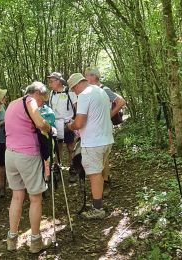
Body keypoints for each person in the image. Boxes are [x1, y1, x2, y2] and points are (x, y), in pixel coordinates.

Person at [4, 81, 52, 253]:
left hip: (10, 154)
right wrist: (49, 128)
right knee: (35, 198)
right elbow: (40, 123)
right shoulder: (30, 101)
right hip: (27, 154)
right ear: (37, 93)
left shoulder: (11, 103)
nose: (42, 104)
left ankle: (12, 239)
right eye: (43, 100)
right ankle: (36, 242)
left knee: (16, 197)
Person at [66, 73, 113, 219]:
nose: (75, 92)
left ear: (77, 85)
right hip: (106, 139)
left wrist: (70, 126)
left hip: (93, 143)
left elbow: (79, 123)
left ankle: (97, 209)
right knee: (98, 173)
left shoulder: (85, 95)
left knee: (94, 175)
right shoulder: (101, 91)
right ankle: (97, 203)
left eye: (74, 89)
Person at [84, 67, 126, 192]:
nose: (85, 78)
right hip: (96, 128)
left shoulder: (104, 89)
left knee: (104, 156)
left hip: (104, 128)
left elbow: (121, 101)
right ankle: (101, 181)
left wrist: (108, 115)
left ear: (93, 76)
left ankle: (105, 180)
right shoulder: (91, 90)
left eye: (86, 75)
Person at [47, 72, 77, 182]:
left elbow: (76, 107)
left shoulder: (70, 91)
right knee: (57, 148)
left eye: (51, 81)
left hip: (67, 124)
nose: (50, 83)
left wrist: (75, 121)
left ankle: (72, 168)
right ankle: (57, 168)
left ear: (59, 81)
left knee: (70, 147)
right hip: (55, 124)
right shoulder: (51, 93)